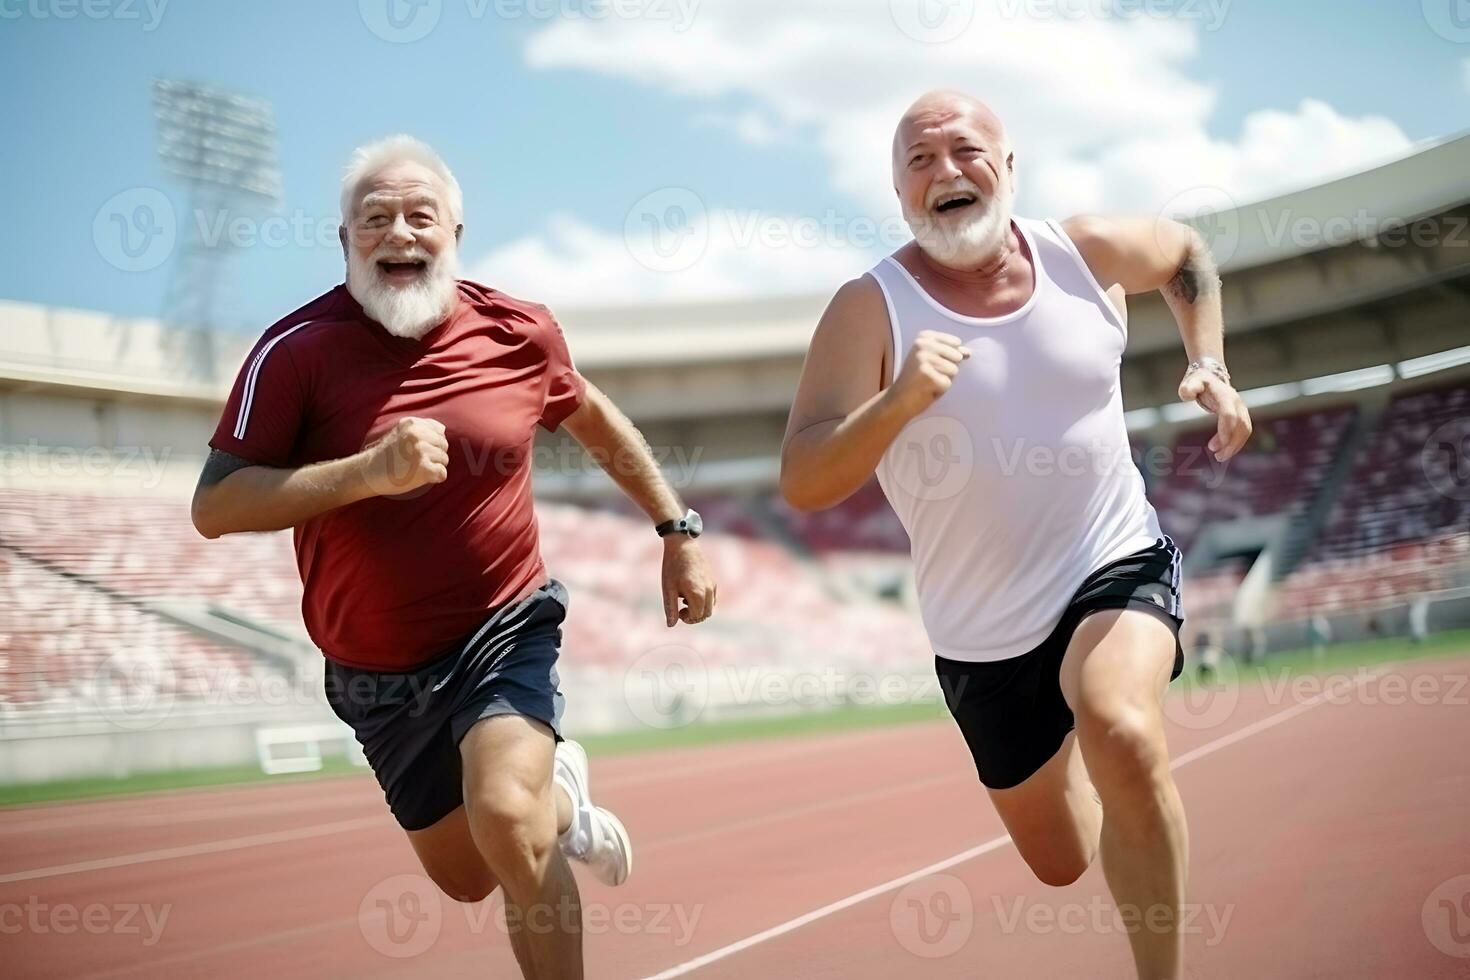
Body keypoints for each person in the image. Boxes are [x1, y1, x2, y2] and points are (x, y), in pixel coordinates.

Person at [191, 135, 717, 979]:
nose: (398, 233)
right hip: (375, 670)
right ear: (344, 241)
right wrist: (367, 473)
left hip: (503, 627)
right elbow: (214, 505)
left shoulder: (519, 330)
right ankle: (562, 797)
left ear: (456, 232)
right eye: (375, 219)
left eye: (418, 215)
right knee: (469, 877)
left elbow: (593, 416)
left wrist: (675, 530)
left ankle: (535, 802)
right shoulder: (295, 352)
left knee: (507, 820)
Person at [779, 91, 1252, 979]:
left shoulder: (1084, 252)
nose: (945, 172)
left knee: (1120, 726)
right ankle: (1108, 781)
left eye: (964, 151)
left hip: (1112, 560)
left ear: (1007, 164)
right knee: (1063, 859)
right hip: (982, 635)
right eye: (918, 161)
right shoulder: (869, 308)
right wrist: (896, 402)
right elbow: (805, 477)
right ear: (898, 191)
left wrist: (1210, 366)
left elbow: (1187, 255)